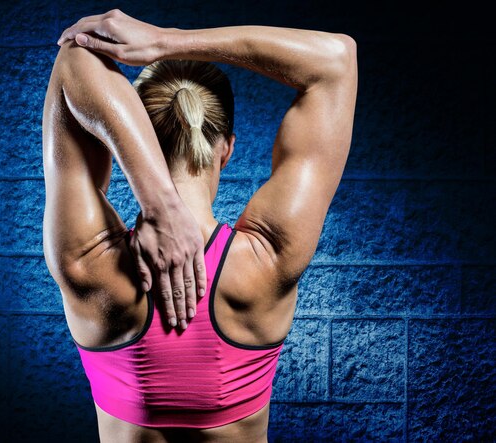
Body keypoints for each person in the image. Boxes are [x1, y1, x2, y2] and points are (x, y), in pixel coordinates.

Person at [43, 9, 357, 443]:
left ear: (129, 140)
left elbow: (73, 59)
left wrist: (158, 204)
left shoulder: (88, 261)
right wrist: (167, 41)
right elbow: (336, 60)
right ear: (226, 150)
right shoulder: (268, 257)